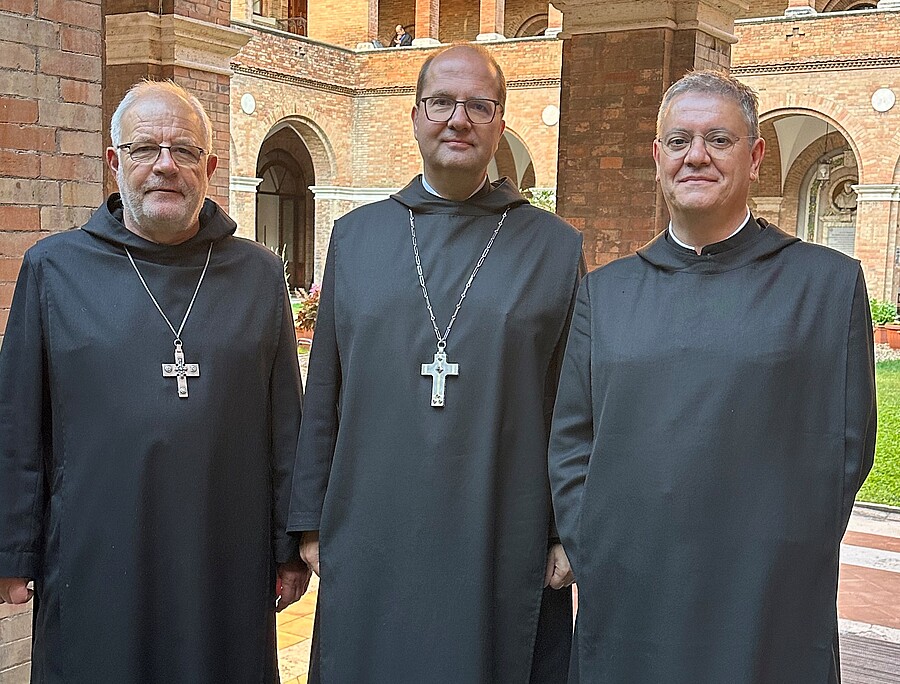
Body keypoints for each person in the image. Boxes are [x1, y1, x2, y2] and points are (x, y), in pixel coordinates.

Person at [548, 69, 876, 683]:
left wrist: (788, 553)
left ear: (755, 157)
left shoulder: (826, 287)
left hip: (766, 596)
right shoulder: (606, 294)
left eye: (718, 140)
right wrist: (597, 548)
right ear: (658, 158)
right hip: (632, 590)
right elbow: (572, 440)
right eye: (679, 141)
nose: (695, 156)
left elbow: (845, 446)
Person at [288, 44, 583, 682]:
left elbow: (571, 402)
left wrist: (566, 530)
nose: (459, 119)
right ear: (415, 115)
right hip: (373, 518)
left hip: (503, 521)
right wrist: (309, 518)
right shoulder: (357, 237)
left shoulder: (554, 248)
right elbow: (325, 387)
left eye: (480, 105)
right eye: (441, 102)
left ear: (500, 123)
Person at [0, 80, 308, 683]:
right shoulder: (53, 269)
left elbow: (285, 426)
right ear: (114, 162)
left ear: (209, 168)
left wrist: (288, 547)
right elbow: (18, 421)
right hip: (94, 551)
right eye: (144, 148)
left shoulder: (257, 274)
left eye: (184, 150)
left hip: (224, 554)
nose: (165, 165)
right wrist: (14, 548)